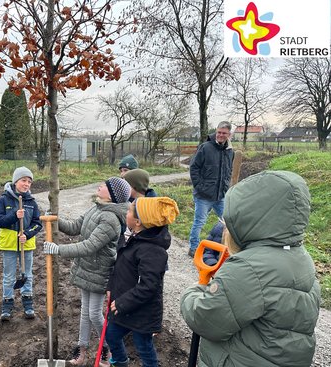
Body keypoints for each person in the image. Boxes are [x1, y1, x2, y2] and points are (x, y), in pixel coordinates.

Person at [181, 170, 321, 367]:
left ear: (247, 216)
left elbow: (206, 320)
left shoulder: (249, 268)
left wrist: (193, 292)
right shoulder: (300, 256)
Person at [43, 177, 131, 367]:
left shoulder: (110, 219)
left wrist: (58, 250)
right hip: (86, 268)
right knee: (85, 312)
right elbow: (75, 227)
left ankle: (108, 346)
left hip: (100, 272)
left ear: (113, 195)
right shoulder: (97, 207)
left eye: (105, 186)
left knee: (94, 314)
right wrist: (55, 219)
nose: (100, 185)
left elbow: (89, 246)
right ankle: (81, 350)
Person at [106, 196, 179, 367]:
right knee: (112, 335)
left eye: (130, 210)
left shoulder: (153, 251)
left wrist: (123, 302)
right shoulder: (134, 238)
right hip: (124, 305)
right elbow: (120, 268)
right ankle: (120, 361)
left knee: (143, 346)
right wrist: (111, 286)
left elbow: (149, 286)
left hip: (142, 311)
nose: (127, 212)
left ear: (138, 221)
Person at [0, 166, 42, 320]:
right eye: (23, 180)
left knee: (27, 274)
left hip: (25, 245)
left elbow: (37, 223)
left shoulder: (31, 202)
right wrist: (14, 216)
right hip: (8, 244)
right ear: (16, 181)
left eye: (29, 181)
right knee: (8, 276)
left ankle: (27, 301)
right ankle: (7, 302)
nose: (26, 184)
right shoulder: (3, 200)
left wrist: (27, 234)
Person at [188, 121, 234, 257]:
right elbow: (194, 168)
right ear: (216, 131)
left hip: (220, 195)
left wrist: (226, 186)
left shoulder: (230, 151)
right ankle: (193, 248)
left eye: (224, 133)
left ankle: (225, 247)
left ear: (229, 135)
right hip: (203, 195)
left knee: (227, 221)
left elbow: (229, 170)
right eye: (219, 132)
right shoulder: (205, 147)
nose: (220, 135)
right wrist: (200, 187)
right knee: (199, 222)